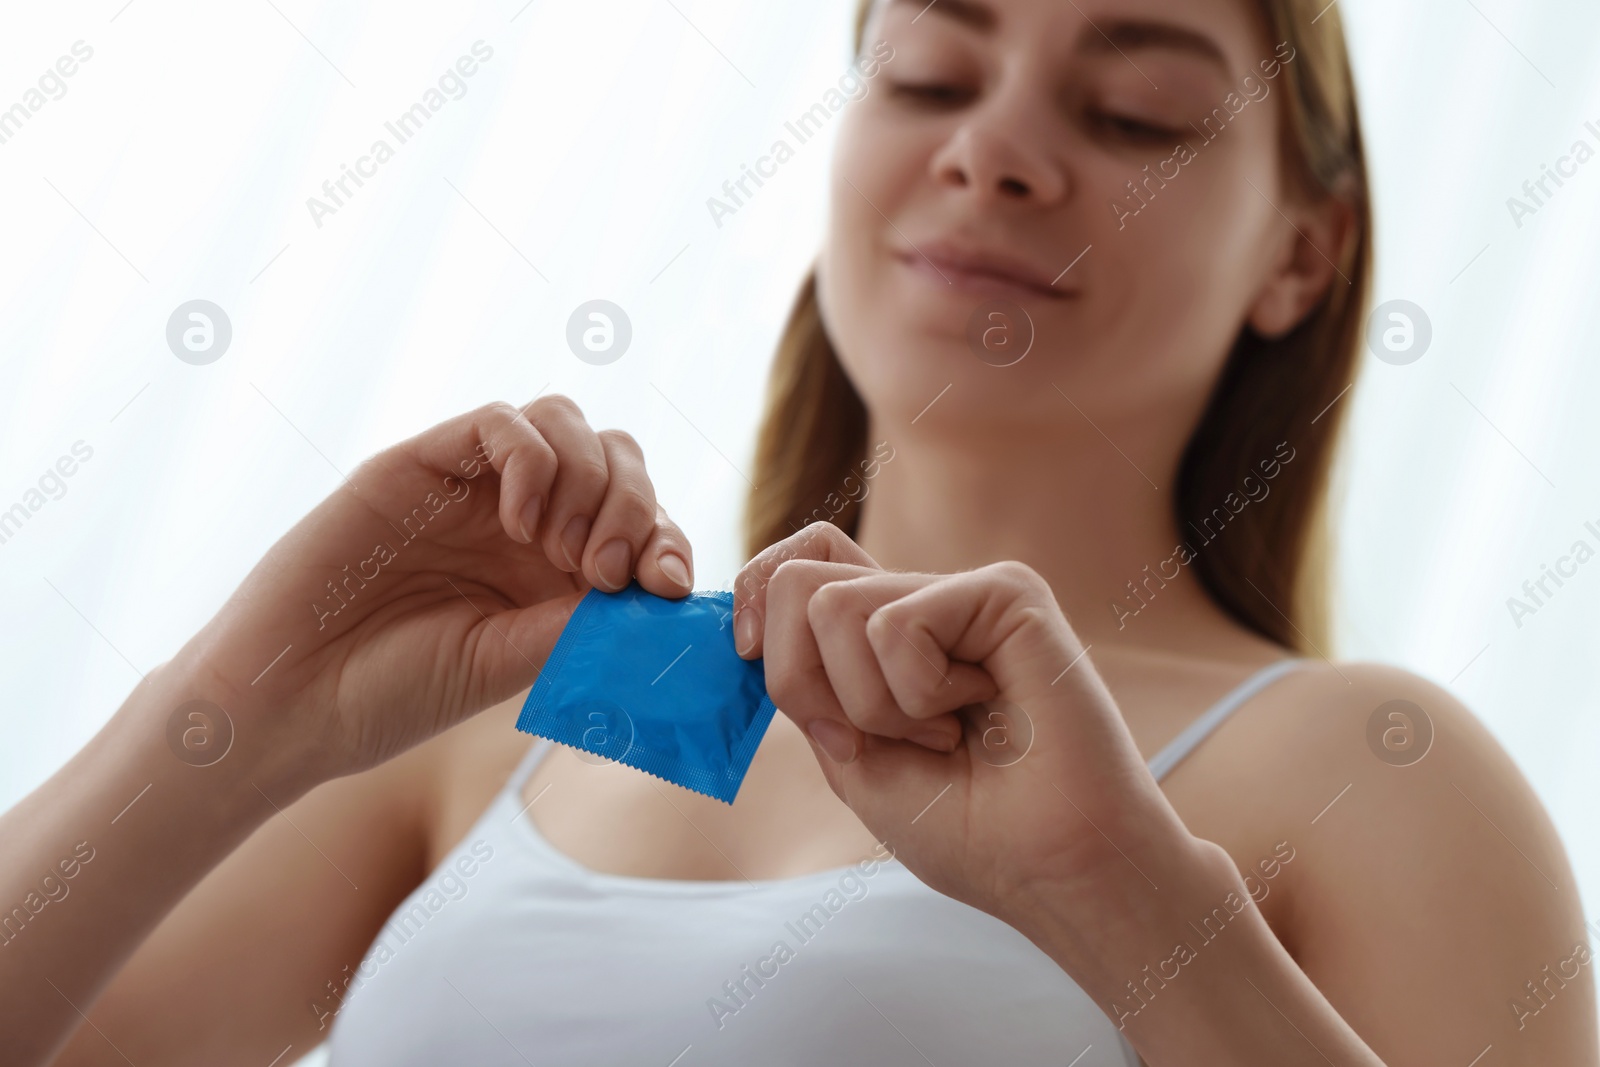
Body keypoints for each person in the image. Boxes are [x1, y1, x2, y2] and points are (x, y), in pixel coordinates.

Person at [4, 0, 1593, 1063]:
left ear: (1303, 257)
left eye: (1134, 114)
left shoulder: (1371, 770)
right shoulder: (525, 710)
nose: (992, 150)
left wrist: (1126, 899)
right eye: (924, 77)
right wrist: (234, 713)